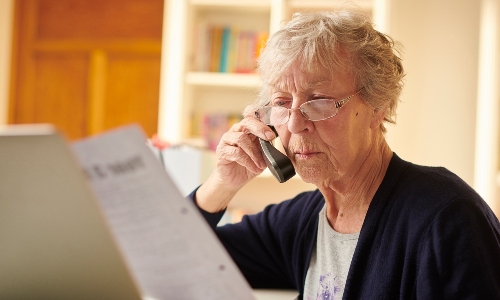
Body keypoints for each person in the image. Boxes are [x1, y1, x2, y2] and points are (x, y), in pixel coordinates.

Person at [189, 6, 500, 300]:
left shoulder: (446, 217)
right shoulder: (304, 218)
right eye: (282, 102)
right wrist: (222, 183)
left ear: (378, 106)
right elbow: (179, 262)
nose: (296, 124)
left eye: (320, 100)